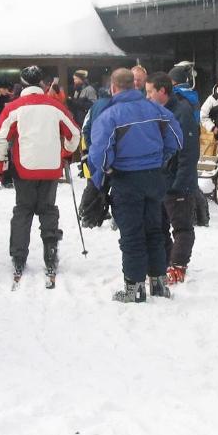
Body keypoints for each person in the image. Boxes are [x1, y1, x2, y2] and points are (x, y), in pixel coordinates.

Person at [86, 68, 182, 303]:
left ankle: (134, 287)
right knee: (155, 230)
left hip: (126, 179)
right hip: (154, 177)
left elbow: (97, 153)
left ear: (113, 88)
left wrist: (108, 169)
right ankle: (158, 283)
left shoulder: (110, 116)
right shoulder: (158, 110)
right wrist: (159, 159)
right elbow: (176, 139)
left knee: (131, 234)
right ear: (136, 86)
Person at [0, 66, 81, 284]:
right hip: (50, 167)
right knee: (48, 209)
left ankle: (19, 255)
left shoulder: (14, 107)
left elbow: (1, 139)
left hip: (25, 168)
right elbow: (74, 133)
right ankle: (50, 252)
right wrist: (65, 152)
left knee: (24, 209)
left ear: (21, 83)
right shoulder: (55, 106)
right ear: (42, 83)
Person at [146, 72, 199, 286]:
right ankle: (167, 264)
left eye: (150, 92)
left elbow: (188, 151)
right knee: (159, 227)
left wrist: (181, 184)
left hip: (178, 182)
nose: (147, 96)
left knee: (182, 227)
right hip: (160, 180)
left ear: (162, 91)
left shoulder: (182, 111)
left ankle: (178, 266)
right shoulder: (156, 111)